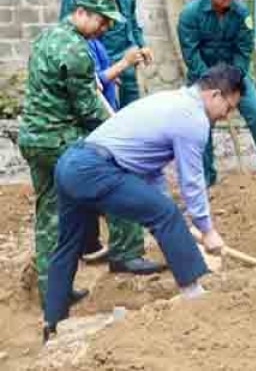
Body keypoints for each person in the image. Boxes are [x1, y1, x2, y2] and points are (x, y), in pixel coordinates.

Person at [41, 65, 242, 343]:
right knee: (165, 213)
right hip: (95, 169)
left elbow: (150, 170)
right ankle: (195, 294)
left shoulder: (170, 100)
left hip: (71, 163)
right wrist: (206, 230)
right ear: (215, 95)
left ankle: (52, 322)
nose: (226, 115)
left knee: (68, 244)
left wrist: (175, 222)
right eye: (229, 107)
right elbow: (192, 181)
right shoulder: (193, 119)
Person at [18, 0, 163, 306]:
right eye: (102, 20)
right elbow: (89, 110)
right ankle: (126, 252)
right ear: (81, 12)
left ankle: (52, 290)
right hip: (59, 140)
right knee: (118, 175)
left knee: (50, 215)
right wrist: (125, 137)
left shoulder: (47, 37)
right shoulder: (76, 50)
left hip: (33, 139)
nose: (106, 28)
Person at [178, 0, 256, 185]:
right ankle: (206, 176)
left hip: (235, 77)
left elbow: (244, 51)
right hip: (202, 78)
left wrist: (233, 80)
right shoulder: (190, 15)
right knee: (201, 124)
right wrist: (213, 85)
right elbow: (191, 55)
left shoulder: (242, 15)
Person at [81, 0, 153, 108]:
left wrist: (141, 44)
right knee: (108, 107)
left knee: (133, 106)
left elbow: (131, 17)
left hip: (128, 50)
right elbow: (86, 30)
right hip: (105, 55)